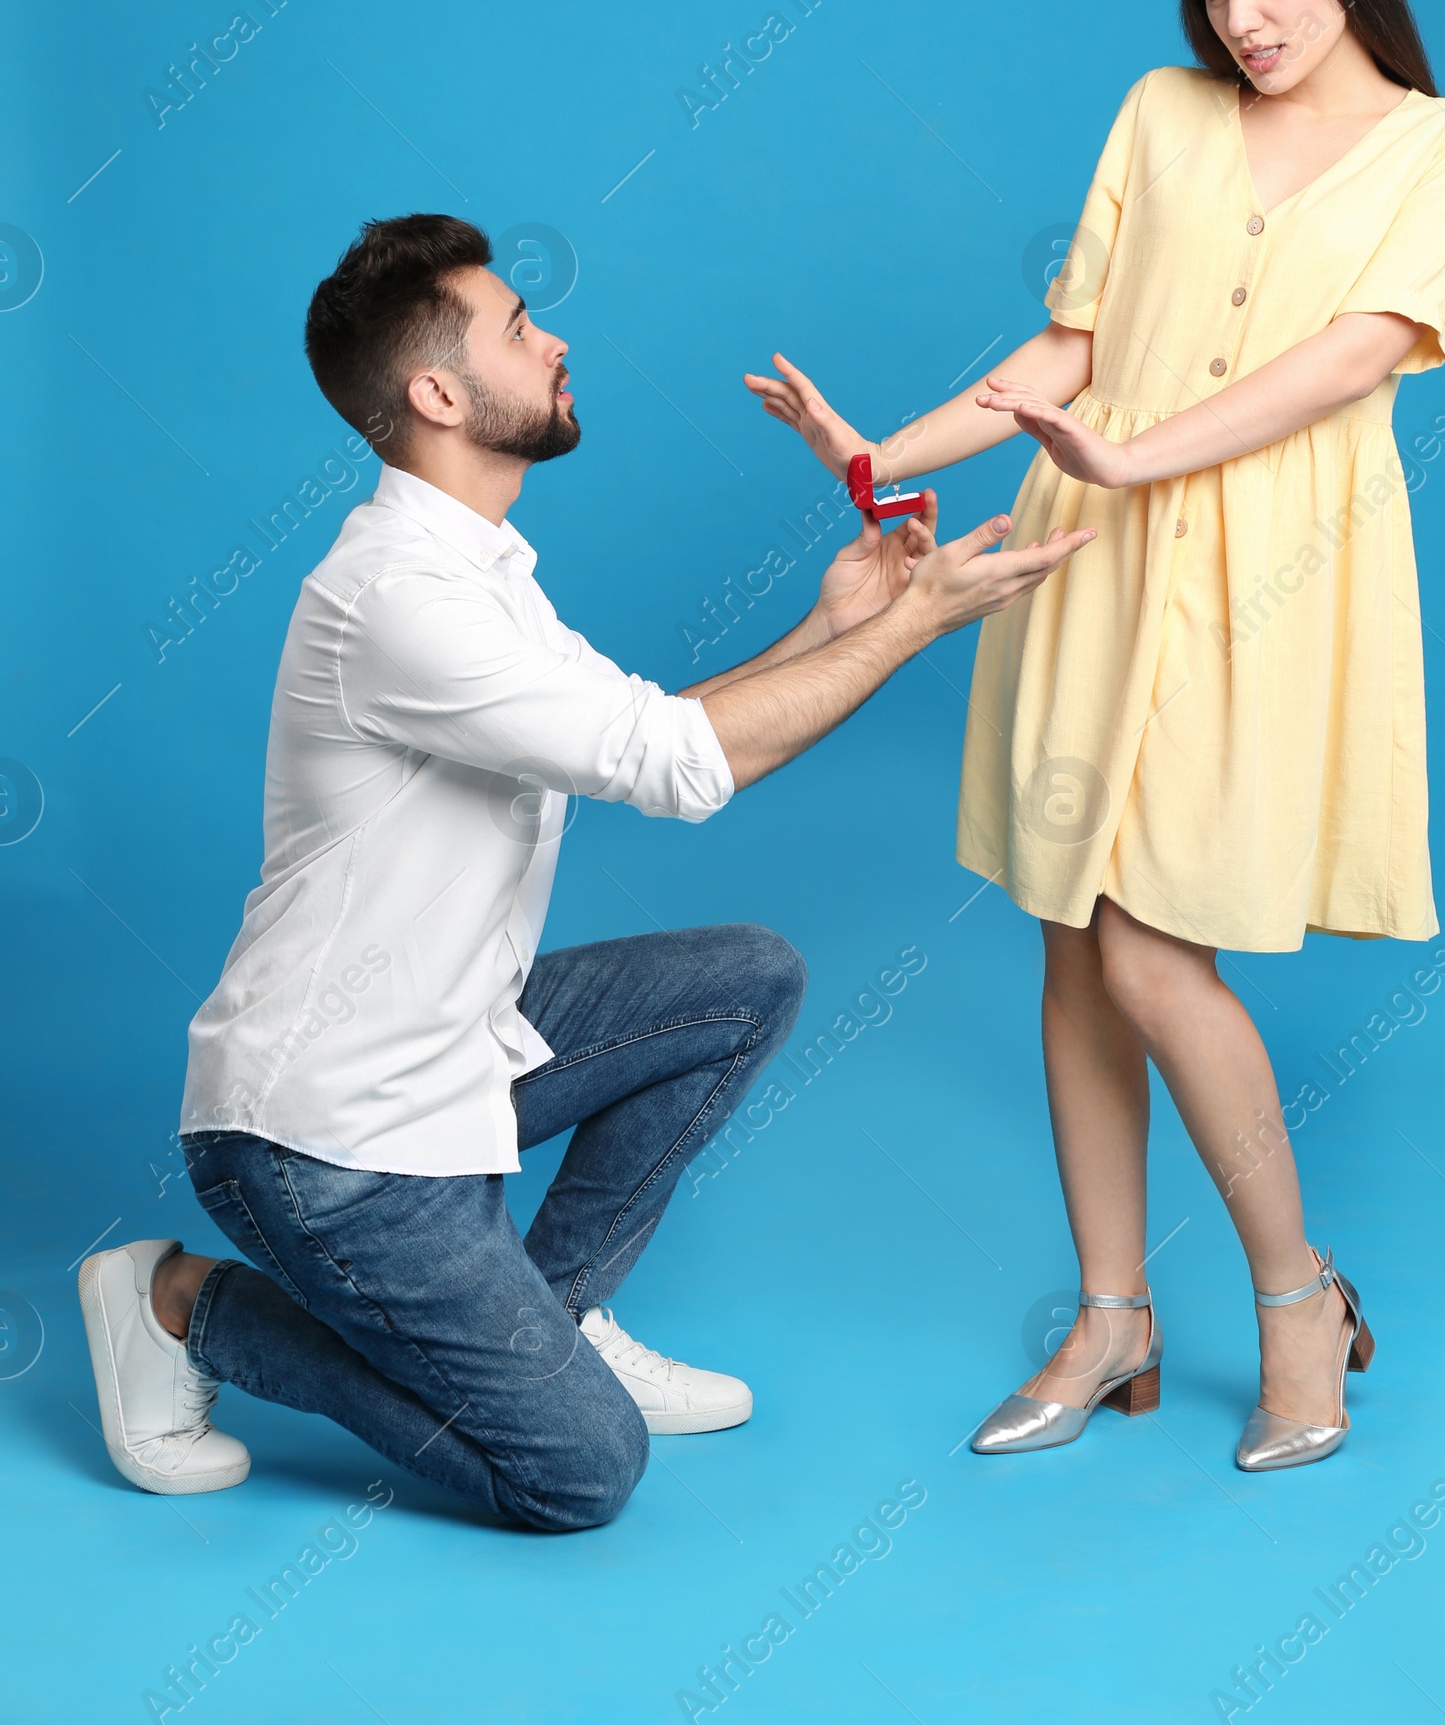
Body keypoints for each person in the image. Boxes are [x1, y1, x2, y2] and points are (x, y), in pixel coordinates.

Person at [78, 215, 1090, 1530]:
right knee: (578, 1473)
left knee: (743, 981)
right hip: (328, 1142)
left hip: (446, 1054)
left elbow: (645, 730)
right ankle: (178, 1306)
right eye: (516, 326)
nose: (552, 337)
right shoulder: (400, 598)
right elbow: (674, 763)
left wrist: (831, 627)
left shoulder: (481, 569)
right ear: (437, 394)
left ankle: (548, 1316)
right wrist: (904, 631)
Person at [745, 0, 1445, 1472]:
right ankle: (1113, 1324)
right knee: (1074, 935)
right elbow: (1072, 350)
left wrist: (1138, 457)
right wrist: (888, 451)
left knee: (1165, 946)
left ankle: (1298, 1303)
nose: (1239, 16)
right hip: (1090, 548)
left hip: (1271, 568)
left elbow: (1357, 354)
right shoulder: (1165, 114)